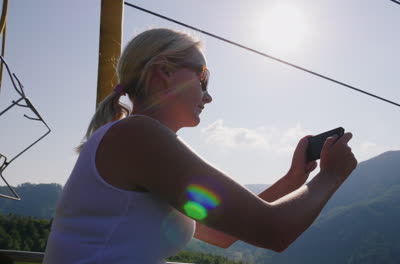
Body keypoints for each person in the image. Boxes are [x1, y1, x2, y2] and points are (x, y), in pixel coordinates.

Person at [43, 28, 357, 264]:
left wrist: (292, 180)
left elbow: (221, 234)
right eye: (203, 78)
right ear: (164, 71)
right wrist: (332, 176)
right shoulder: (138, 136)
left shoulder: (131, 139)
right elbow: (273, 231)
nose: (208, 96)